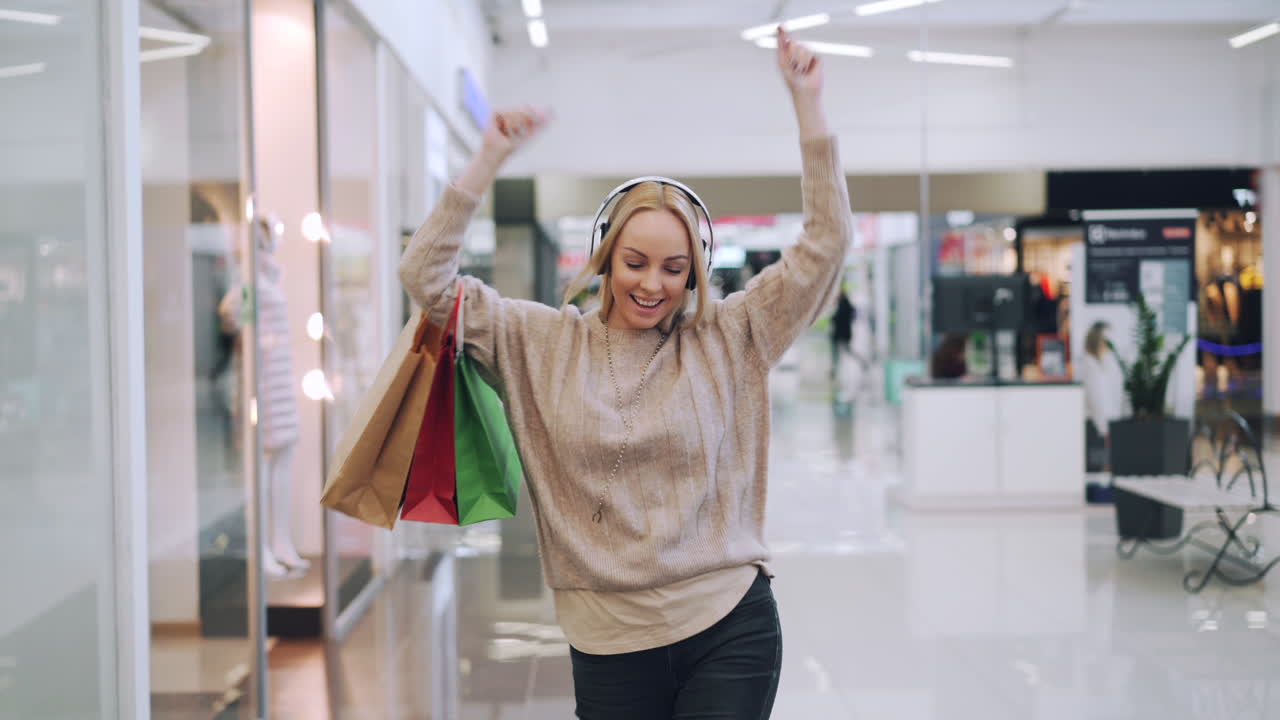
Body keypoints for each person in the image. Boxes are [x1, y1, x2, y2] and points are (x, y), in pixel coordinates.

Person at [397, 27, 847, 720]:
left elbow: (824, 246)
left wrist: (808, 105)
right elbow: (425, 278)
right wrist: (487, 157)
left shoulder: (730, 335)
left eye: (675, 269)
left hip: (729, 621)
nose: (653, 285)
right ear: (604, 257)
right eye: (636, 262)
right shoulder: (537, 341)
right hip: (607, 640)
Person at [1080, 321, 1124, 472]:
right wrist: (1104, 429)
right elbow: (1095, 399)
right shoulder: (1090, 366)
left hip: (1102, 426)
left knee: (1102, 467)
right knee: (1098, 469)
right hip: (1097, 427)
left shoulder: (1102, 364)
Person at [830, 287, 854, 378]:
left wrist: (834, 318)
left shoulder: (844, 304)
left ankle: (834, 371)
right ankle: (834, 371)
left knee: (844, 351)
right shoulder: (844, 304)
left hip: (841, 334)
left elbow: (839, 318)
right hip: (841, 334)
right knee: (841, 352)